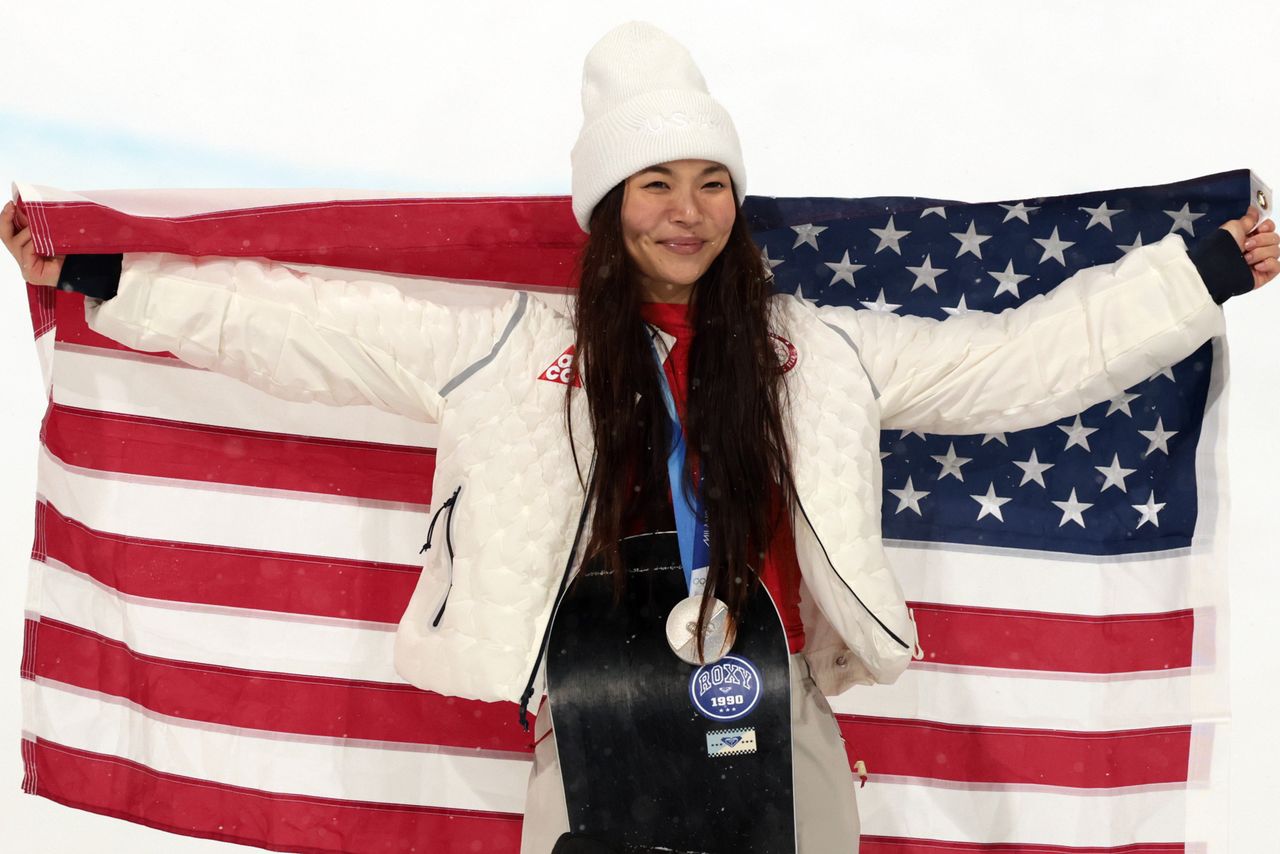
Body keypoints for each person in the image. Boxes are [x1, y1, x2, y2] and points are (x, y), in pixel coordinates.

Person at [2, 20, 1277, 854]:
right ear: (607, 207)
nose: (687, 209)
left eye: (710, 180)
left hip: (775, 695)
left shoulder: (812, 345)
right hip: (595, 694)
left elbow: (1012, 363)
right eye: (655, 184)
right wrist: (102, 275)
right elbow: (296, 324)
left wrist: (1194, 272)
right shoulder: (507, 343)